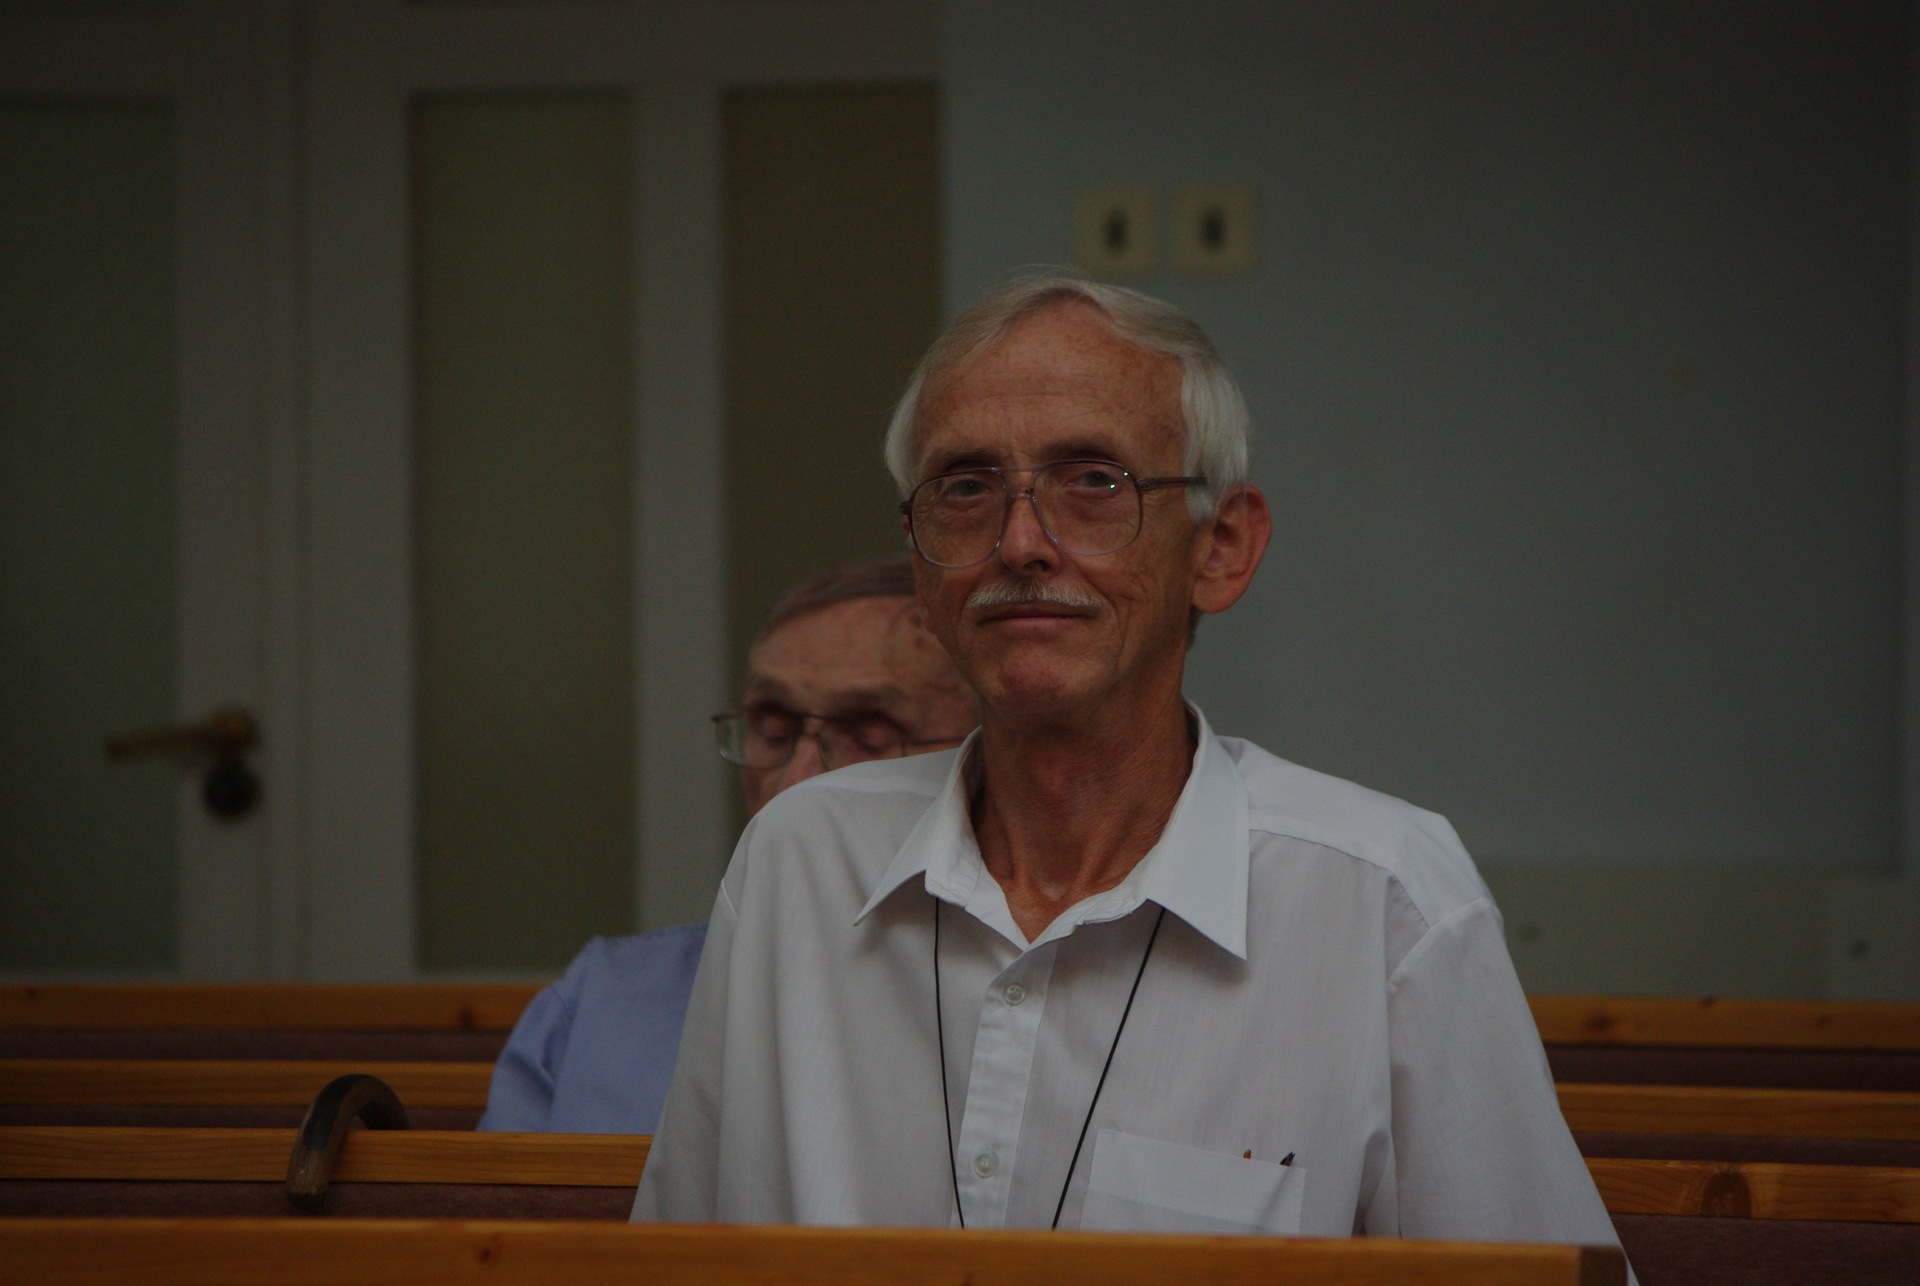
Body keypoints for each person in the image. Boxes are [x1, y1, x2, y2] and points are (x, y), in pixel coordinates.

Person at [631, 272, 1630, 1270]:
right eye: (966, 488)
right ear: (923, 570)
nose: (1020, 542)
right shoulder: (800, 860)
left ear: (1221, 548)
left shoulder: (1380, 898)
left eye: (1094, 481)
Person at [477, 555, 978, 1133]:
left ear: (978, 758)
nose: (794, 784)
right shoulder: (604, 1001)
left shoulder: (1013, 1005)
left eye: (869, 735)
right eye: (773, 729)